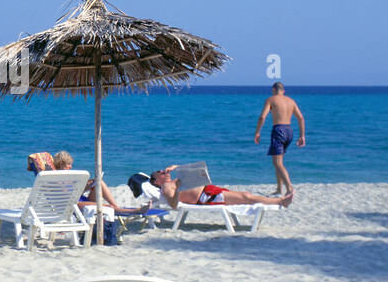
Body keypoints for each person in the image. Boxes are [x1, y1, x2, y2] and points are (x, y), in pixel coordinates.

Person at [53, 150, 148, 214]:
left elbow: (75, 192)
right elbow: (71, 197)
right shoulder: (57, 179)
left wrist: (89, 185)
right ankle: (135, 211)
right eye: (68, 164)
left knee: (99, 182)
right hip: (74, 205)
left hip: (80, 200)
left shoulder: (65, 176)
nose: (71, 167)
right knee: (106, 206)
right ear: (61, 164)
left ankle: (116, 207)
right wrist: (85, 187)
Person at [253, 82, 305, 195]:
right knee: (279, 161)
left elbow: (262, 117)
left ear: (273, 89)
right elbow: (300, 118)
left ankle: (289, 188)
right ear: (283, 90)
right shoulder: (291, 101)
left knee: (277, 163)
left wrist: (257, 132)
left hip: (279, 130)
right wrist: (302, 136)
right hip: (289, 131)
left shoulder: (271, 100)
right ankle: (279, 189)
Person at [151, 168, 293, 208]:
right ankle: (281, 201)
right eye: (162, 172)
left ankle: (276, 200)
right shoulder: (166, 188)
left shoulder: (173, 181)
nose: (165, 172)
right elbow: (173, 204)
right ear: (157, 181)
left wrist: (177, 168)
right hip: (206, 197)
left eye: (164, 170)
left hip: (209, 190)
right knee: (246, 197)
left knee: (245, 196)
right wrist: (178, 188)